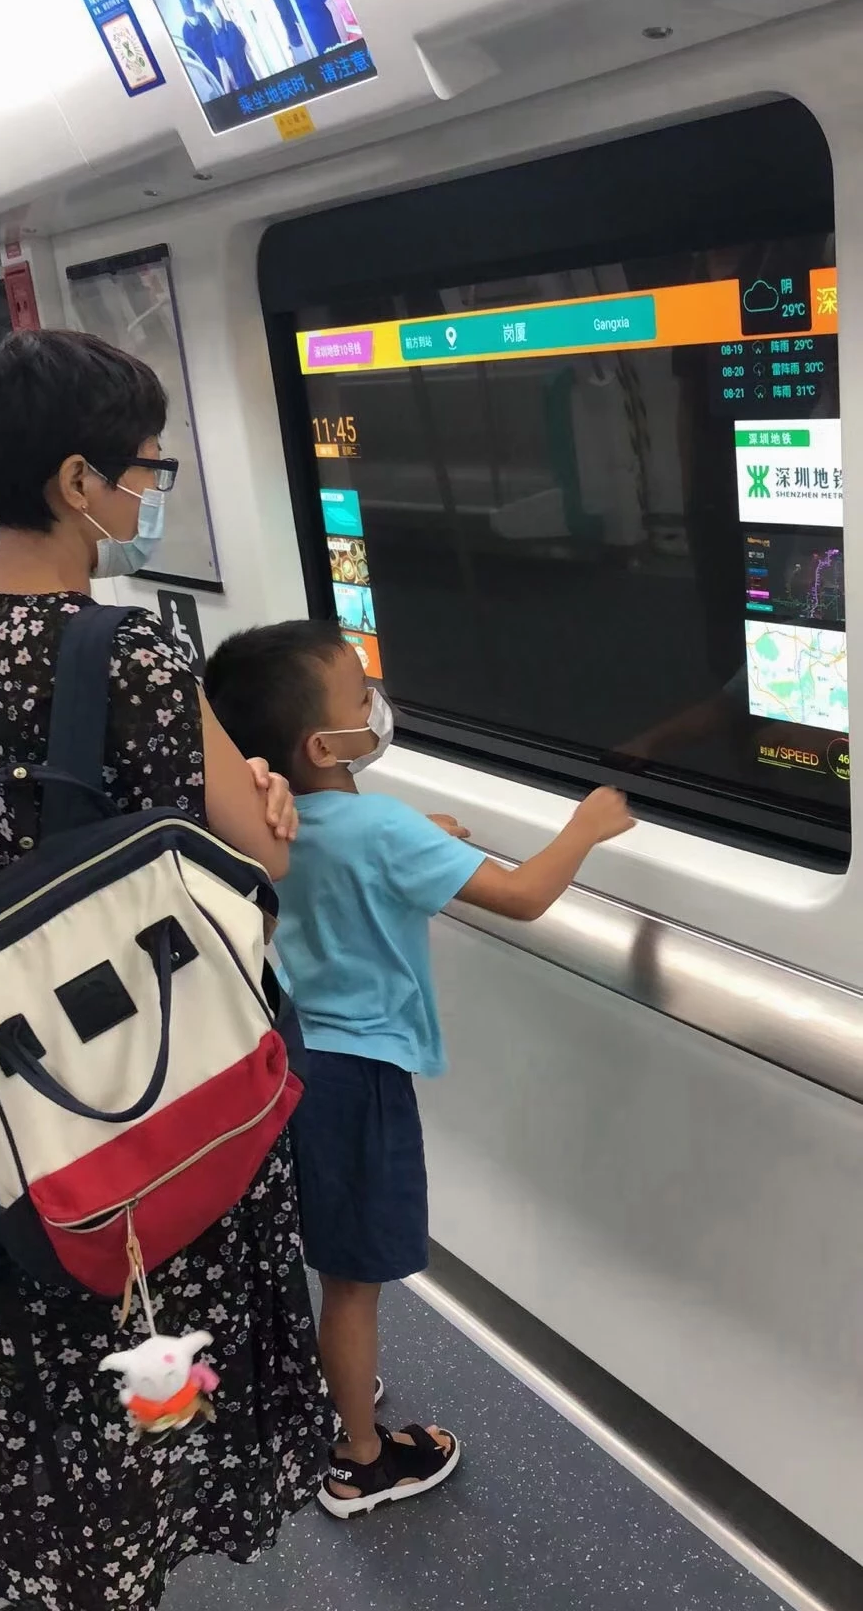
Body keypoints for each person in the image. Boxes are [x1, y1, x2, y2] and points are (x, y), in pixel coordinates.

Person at [0, 331, 334, 1611]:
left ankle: (82, 1565)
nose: (154, 488)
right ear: (75, 480)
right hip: (161, 1057)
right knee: (159, 1320)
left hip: (31, 1067)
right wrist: (267, 794)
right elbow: (262, 850)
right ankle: (132, 1553)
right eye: (144, 464)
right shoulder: (136, 652)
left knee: (62, 1315)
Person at [204, 620, 633, 1516]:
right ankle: (359, 1459)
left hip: (292, 1060)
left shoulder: (271, 821)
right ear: (326, 743)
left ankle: (340, 1393)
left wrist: (417, 835)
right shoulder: (378, 829)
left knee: (332, 1262)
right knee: (355, 1279)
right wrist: (586, 828)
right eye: (360, 697)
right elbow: (520, 895)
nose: (375, 706)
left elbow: (348, 853)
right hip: (357, 1081)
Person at [196, 0, 257, 91]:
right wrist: (227, 94)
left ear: (214, 4)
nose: (209, 12)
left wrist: (263, 80)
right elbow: (223, 69)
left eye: (210, 7)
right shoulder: (214, 37)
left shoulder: (232, 27)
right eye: (206, 10)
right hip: (238, 86)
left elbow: (250, 56)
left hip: (251, 79)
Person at [177, 0, 221, 84]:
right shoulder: (186, 30)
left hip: (220, 60)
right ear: (183, 9)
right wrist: (203, 75)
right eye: (187, 7)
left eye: (191, 5)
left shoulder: (202, 17)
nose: (190, 8)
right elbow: (192, 57)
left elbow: (214, 34)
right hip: (209, 70)